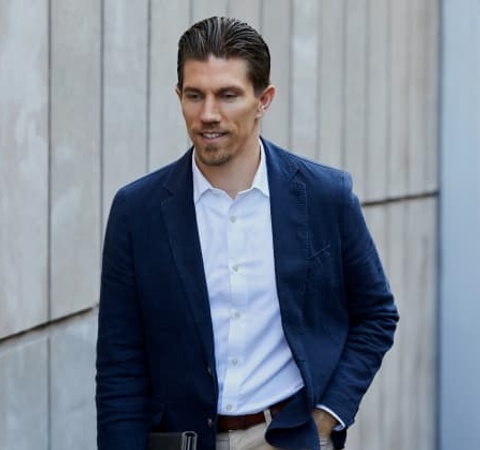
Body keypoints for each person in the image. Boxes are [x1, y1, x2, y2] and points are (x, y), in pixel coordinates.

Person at [96, 16, 398, 450]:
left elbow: (376, 314)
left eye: (228, 95)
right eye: (195, 95)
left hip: (286, 435)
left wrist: (324, 421)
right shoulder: (136, 211)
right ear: (179, 96)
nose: (208, 114)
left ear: (263, 99)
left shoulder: (325, 196)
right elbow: (119, 365)